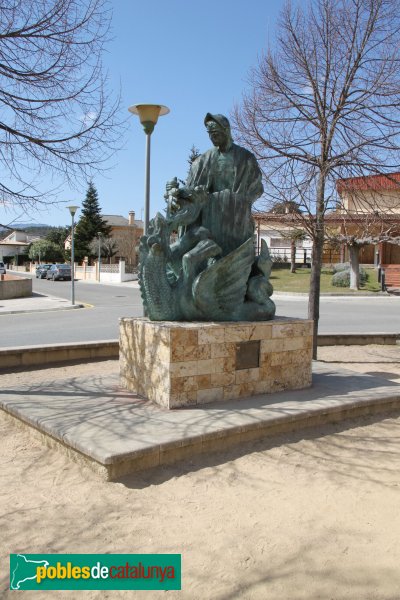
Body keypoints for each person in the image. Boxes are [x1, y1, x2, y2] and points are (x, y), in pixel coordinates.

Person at [185, 113, 264, 256]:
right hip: (211, 218)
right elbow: (191, 188)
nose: (211, 137)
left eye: (215, 133)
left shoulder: (245, 158)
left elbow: (257, 188)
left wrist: (242, 202)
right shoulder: (205, 159)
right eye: (209, 134)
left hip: (236, 219)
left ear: (226, 130)